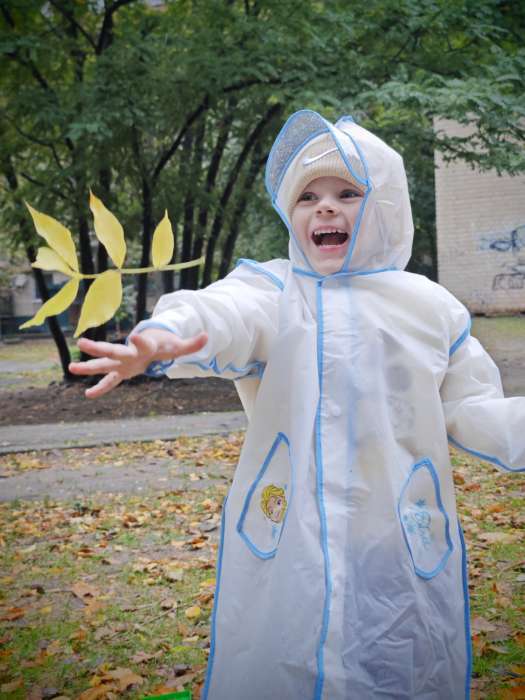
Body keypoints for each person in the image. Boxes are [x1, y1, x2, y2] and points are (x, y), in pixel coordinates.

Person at [70, 110, 525, 700]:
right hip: (292, 535)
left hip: (396, 531)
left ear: (385, 204)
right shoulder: (275, 291)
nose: (325, 207)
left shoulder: (431, 310)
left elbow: (475, 410)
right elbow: (221, 312)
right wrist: (159, 338)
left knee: (397, 654)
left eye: (348, 192)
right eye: (308, 195)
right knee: (289, 652)